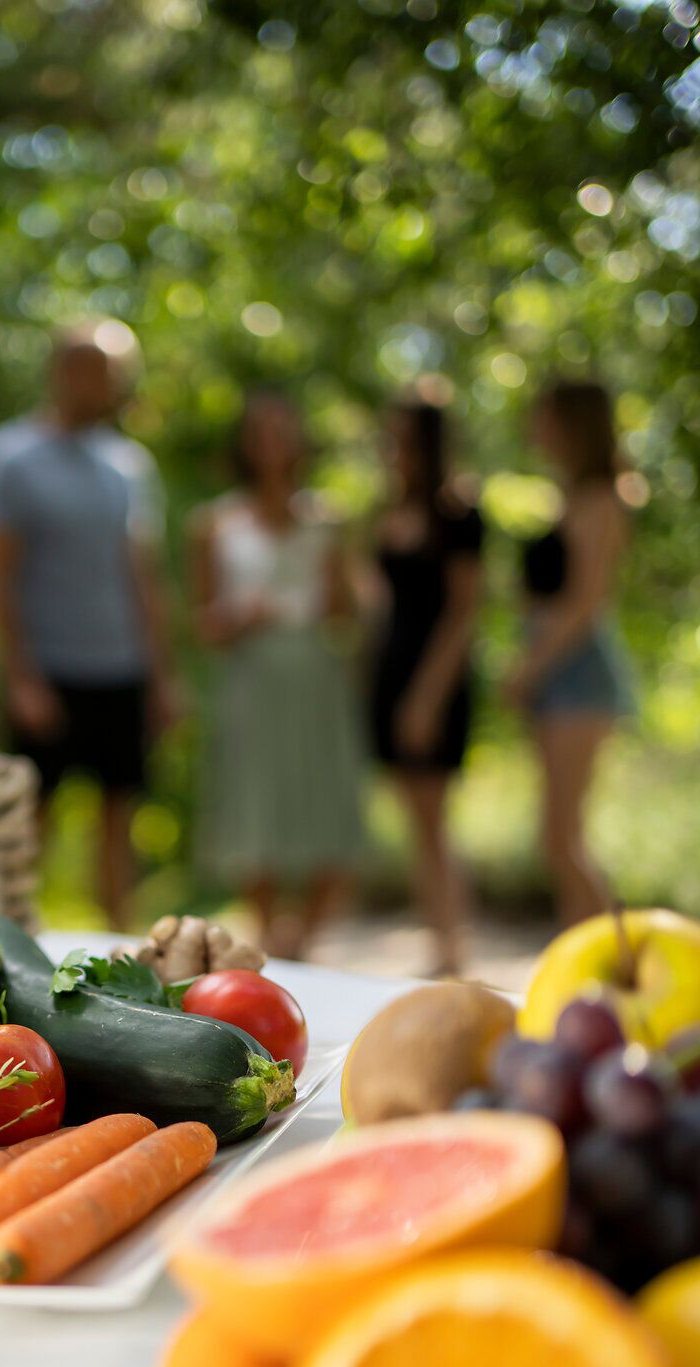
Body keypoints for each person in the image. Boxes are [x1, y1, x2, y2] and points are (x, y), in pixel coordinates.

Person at [0, 322, 177, 928]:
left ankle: (123, 954)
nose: (112, 386)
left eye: (118, 375)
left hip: (122, 668)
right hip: (49, 672)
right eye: (101, 372)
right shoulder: (9, 457)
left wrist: (162, 676)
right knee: (34, 825)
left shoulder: (129, 464)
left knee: (120, 821)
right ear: (65, 372)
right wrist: (19, 676)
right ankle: (17, 949)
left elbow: (143, 575)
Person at [189, 388, 364, 960]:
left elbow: (347, 612)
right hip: (253, 679)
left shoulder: (327, 521)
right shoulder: (213, 523)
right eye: (261, 431)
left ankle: (303, 942)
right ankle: (271, 936)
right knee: (254, 807)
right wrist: (243, 616)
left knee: (324, 803)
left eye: (283, 429)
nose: (273, 442)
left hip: (315, 677)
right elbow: (204, 625)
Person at [506, 378, 633, 926]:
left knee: (562, 838)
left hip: (578, 675)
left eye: (545, 416)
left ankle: (629, 963)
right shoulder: (570, 497)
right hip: (555, 673)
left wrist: (528, 668)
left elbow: (586, 603)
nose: (535, 427)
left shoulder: (605, 499)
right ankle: (581, 965)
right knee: (554, 839)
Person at [369, 399, 485, 976]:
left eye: (403, 440)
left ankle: (452, 950)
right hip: (391, 675)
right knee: (416, 821)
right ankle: (439, 944)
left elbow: (465, 614)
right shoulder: (390, 511)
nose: (394, 451)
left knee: (435, 821)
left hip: (435, 680)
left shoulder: (459, 516)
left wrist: (427, 697)